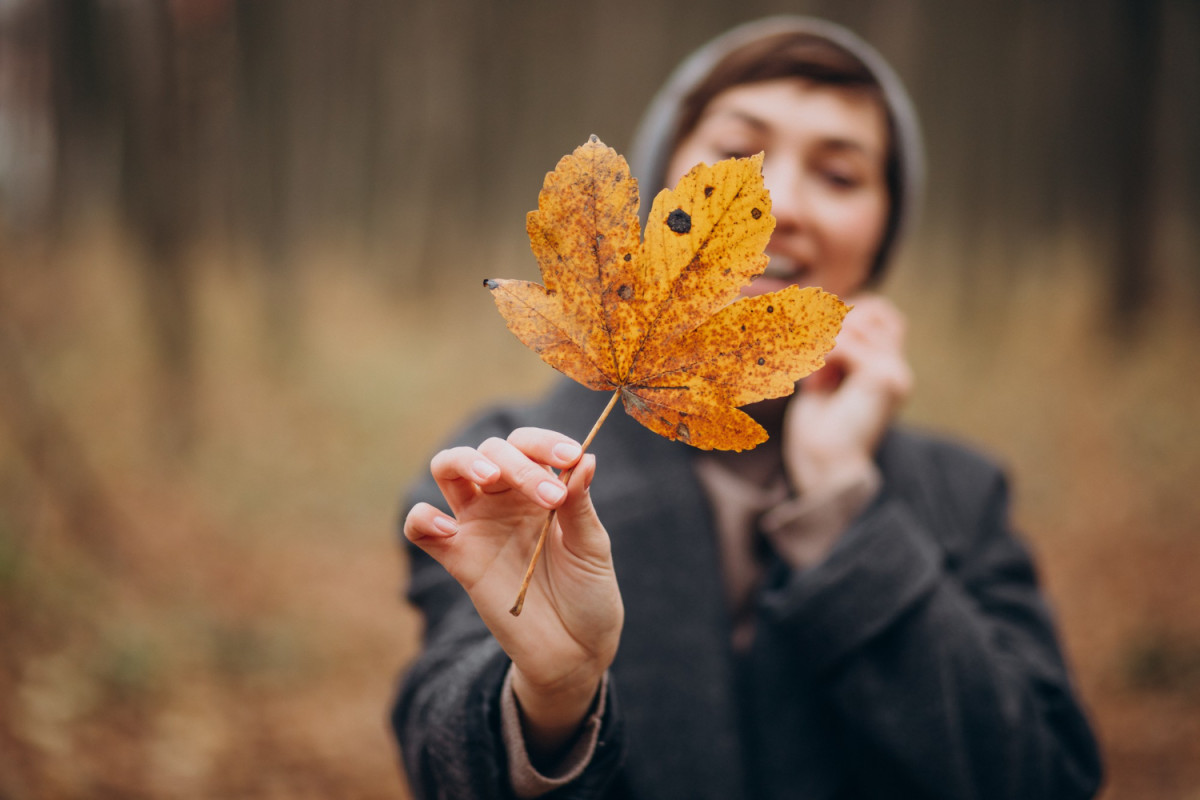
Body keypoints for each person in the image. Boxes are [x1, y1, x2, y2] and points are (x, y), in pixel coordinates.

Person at [391, 16, 1103, 800]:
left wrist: (843, 510)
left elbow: (1047, 776)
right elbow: (439, 758)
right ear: (663, 183)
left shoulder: (960, 496)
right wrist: (552, 698)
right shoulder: (509, 471)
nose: (775, 198)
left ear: (883, 235)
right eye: (734, 153)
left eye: (839, 175)